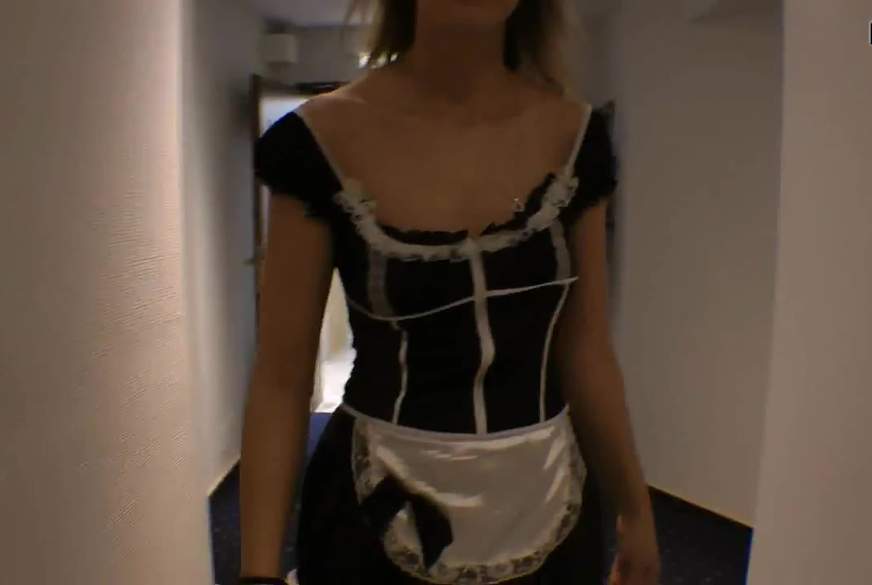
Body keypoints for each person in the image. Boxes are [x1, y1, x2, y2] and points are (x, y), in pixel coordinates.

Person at [239, 1, 660, 583]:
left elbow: (586, 351)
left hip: (552, 501)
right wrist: (257, 574)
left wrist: (636, 510)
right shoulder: (318, 139)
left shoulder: (576, 137)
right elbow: (281, 379)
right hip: (369, 512)